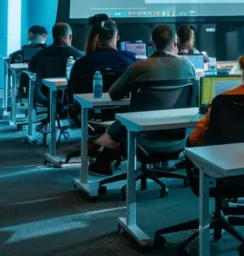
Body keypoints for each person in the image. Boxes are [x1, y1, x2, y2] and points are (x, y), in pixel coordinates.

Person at [89, 25, 196, 176]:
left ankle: (101, 150)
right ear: (175, 43)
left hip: (142, 137)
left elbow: (114, 94)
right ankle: (101, 148)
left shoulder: (138, 67)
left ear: (152, 43)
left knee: (124, 121)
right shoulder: (188, 66)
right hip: (178, 136)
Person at [69, 16, 136, 91]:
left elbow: (71, 93)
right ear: (117, 37)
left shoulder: (80, 64)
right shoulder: (131, 59)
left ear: (92, 37)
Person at [28, 23, 84, 102]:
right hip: (72, 97)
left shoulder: (39, 55)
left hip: (45, 95)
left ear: (53, 36)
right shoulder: (80, 56)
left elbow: (31, 69)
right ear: (70, 37)